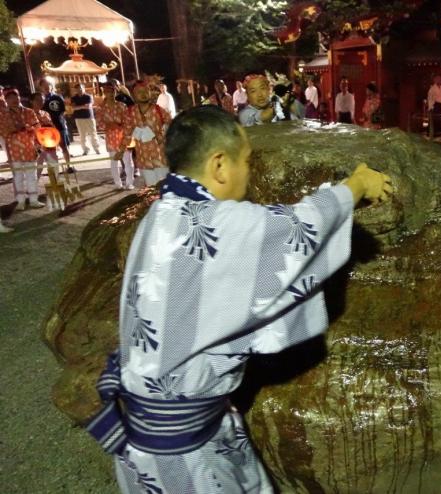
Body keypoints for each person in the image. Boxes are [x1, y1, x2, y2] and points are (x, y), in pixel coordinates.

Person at [85, 105, 393, 493]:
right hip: (184, 453)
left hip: (153, 435)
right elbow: (296, 228)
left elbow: (261, 230)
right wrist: (355, 187)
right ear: (218, 165)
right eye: (246, 160)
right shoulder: (213, 226)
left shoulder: (163, 212)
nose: (249, 171)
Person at [120, 81, 172, 186]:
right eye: (139, 91)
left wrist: (160, 135)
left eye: (146, 91)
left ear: (150, 92)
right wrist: (121, 150)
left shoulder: (159, 110)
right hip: (144, 159)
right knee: (150, 189)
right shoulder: (129, 113)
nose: (143, 94)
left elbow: (171, 126)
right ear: (133, 94)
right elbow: (127, 133)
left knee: (166, 188)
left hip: (161, 157)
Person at [0, 89, 43, 209]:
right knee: (18, 176)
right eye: (10, 98)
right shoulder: (2, 114)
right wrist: (17, 128)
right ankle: (20, 201)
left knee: (32, 175)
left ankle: (34, 200)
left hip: (29, 146)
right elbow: (3, 131)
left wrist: (26, 127)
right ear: (6, 100)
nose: (14, 100)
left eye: (16, 97)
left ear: (19, 97)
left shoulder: (29, 112)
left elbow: (37, 127)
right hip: (13, 148)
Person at [99, 82, 135, 190]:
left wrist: (117, 125)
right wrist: (110, 125)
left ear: (116, 92)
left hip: (122, 136)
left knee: (127, 160)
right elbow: (100, 124)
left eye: (112, 91)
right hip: (110, 137)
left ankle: (129, 182)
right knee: (114, 161)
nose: (110, 94)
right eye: (108, 92)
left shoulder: (122, 106)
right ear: (104, 93)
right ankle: (117, 183)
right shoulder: (101, 108)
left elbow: (128, 121)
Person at [38, 78, 72, 169]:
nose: (46, 87)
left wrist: (62, 120)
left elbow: (63, 110)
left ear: (52, 86)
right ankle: (53, 169)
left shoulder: (57, 97)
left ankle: (69, 166)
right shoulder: (40, 99)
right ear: (40, 87)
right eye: (44, 85)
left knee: (64, 146)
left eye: (48, 84)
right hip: (46, 128)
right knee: (49, 149)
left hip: (59, 125)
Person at [71, 83, 101, 155]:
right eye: (78, 89)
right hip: (79, 118)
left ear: (84, 88)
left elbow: (88, 106)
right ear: (76, 90)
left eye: (81, 88)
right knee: (82, 135)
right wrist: (82, 106)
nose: (80, 90)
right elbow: (73, 108)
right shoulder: (74, 98)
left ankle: (96, 148)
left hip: (89, 117)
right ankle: (85, 149)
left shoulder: (88, 96)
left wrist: (79, 107)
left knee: (93, 133)